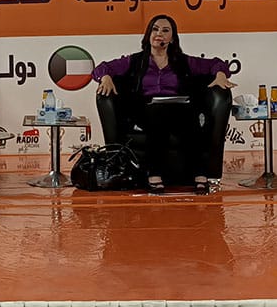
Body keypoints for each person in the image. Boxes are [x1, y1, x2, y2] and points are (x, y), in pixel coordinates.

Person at [92, 14, 236, 194]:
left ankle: (199, 174)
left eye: (165, 30)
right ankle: (156, 173)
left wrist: (221, 75)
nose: (159, 33)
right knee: (158, 115)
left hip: (178, 108)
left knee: (189, 116)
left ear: (172, 38)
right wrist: (105, 77)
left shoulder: (183, 61)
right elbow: (101, 68)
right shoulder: (135, 61)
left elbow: (216, 64)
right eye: (155, 29)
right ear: (149, 35)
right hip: (145, 109)